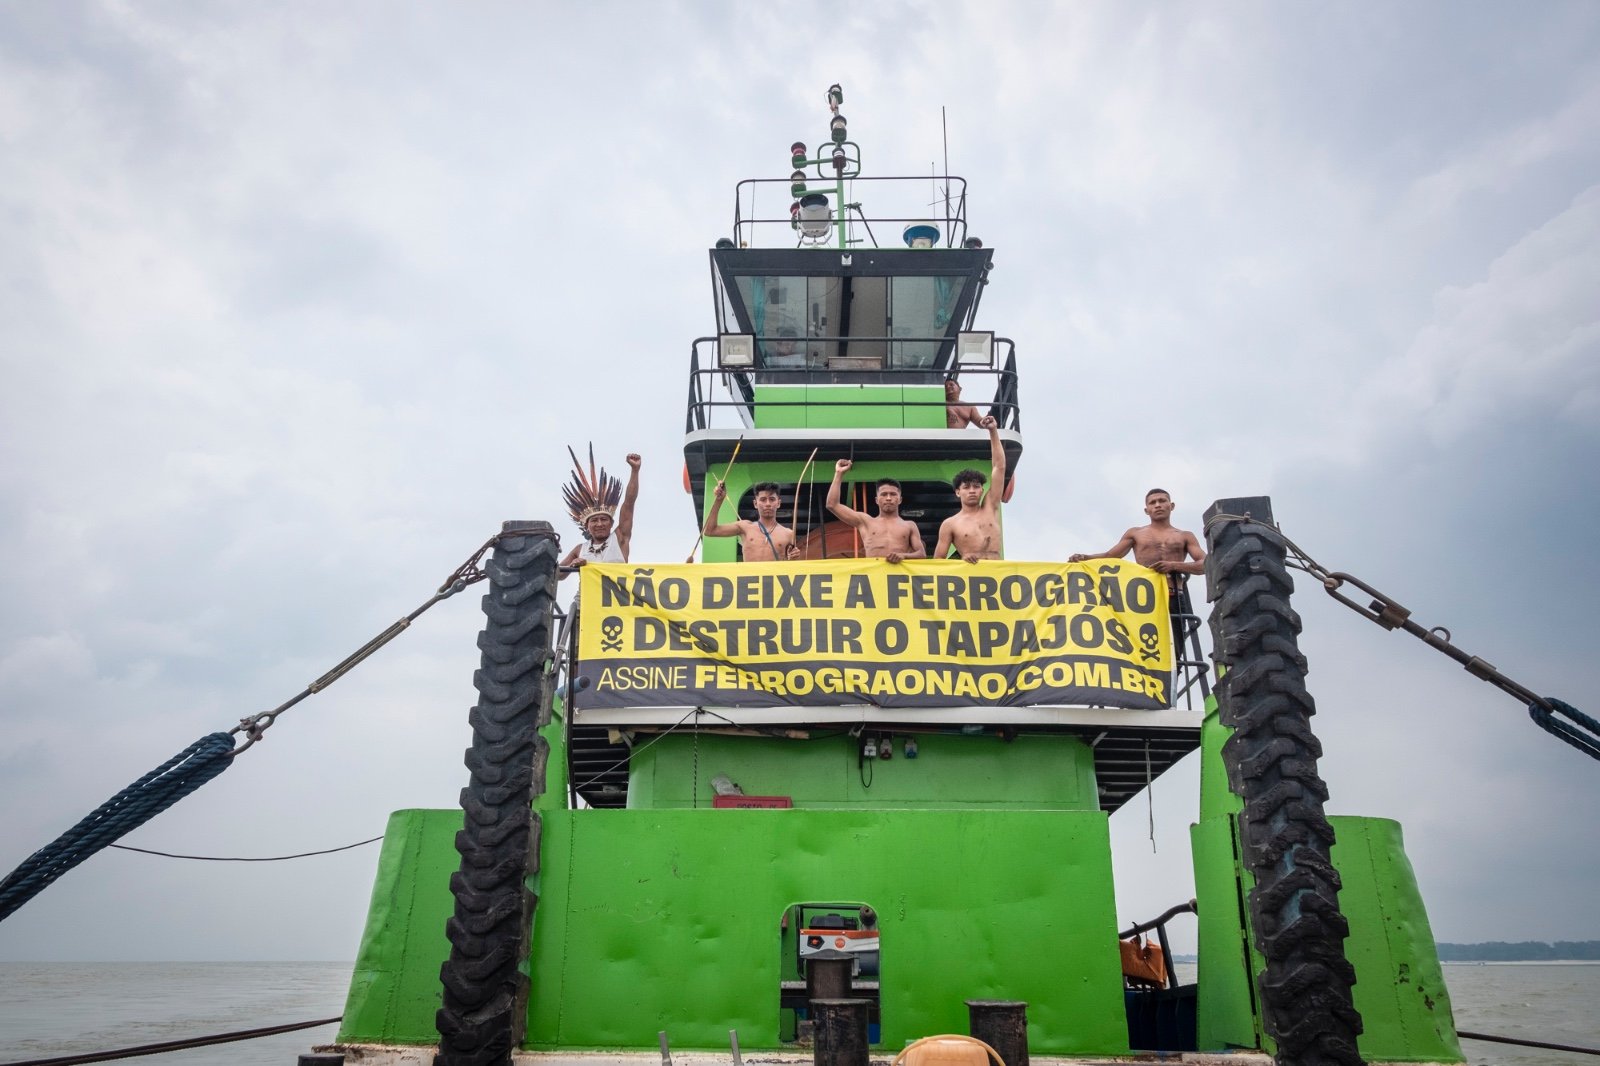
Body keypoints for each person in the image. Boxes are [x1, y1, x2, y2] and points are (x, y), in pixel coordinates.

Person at [1068, 488, 1206, 588]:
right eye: (1152, 503)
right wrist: (1085, 558)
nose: (1157, 505)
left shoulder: (1185, 536)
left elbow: (1206, 565)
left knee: (1178, 628)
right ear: (1146, 510)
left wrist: (1174, 565)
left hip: (1175, 592)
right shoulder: (1136, 533)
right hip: (1145, 592)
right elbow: (1110, 556)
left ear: (1171, 506)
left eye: (1162, 501)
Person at [933, 417, 1005, 563]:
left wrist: (993, 431)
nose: (972, 490)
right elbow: (938, 561)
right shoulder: (950, 524)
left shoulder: (990, 507)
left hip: (998, 575)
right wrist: (962, 560)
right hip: (971, 580)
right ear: (958, 492)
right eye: (966, 487)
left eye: (976, 486)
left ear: (981, 490)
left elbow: (999, 467)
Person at [826, 460, 925, 563]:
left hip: (898, 576)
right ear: (877, 500)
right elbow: (832, 504)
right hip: (874, 576)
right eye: (883, 494)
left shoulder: (909, 525)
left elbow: (921, 554)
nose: (888, 498)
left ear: (900, 499)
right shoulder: (866, 522)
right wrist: (839, 473)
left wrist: (903, 556)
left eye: (893, 494)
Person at [560, 451, 641, 577]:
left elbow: (629, 503)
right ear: (587, 525)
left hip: (616, 595)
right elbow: (557, 575)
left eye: (603, 519)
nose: (599, 524)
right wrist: (572, 565)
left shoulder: (620, 538)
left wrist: (635, 471)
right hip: (587, 597)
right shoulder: (580, 549)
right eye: (594, 520)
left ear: (611, 523)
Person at [703, 479, 802, 562]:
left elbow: (793, 565)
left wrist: (793, 558)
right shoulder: (745, 527)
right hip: (750, 583)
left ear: (778, 503)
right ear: (755, 503)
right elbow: (710, 530)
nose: (767, 503)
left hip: (775, 584)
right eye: (763, 499)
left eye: (772, 499)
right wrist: (719, 500)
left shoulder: (788, 533)